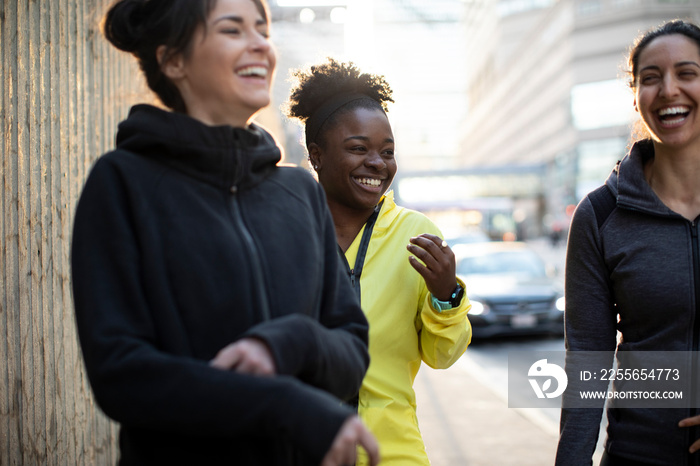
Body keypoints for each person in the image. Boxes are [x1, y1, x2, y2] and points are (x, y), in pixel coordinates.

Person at [71, 1, 380, 465]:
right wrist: (282, 404)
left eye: (263, 28)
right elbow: (121, 375)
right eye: (232, 30)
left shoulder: (299, 193)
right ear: (173, 60)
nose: (260, 43)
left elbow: (352, 349)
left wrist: (291, 341)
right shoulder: (122, 183)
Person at [285, 58, 472, 465]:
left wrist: (446, 296)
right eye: (358, 149)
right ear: (316, 155)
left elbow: (443, 356)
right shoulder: (284, 228)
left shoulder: (417, 234)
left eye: (387, 152)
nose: (378, 163)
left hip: (393, 455)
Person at [556, 19, 700, 466]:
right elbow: (587, 363)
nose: (669, 90)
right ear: (636, 98)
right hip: (639, 455)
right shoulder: (600, 215)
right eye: (651, 79)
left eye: (687, 73)